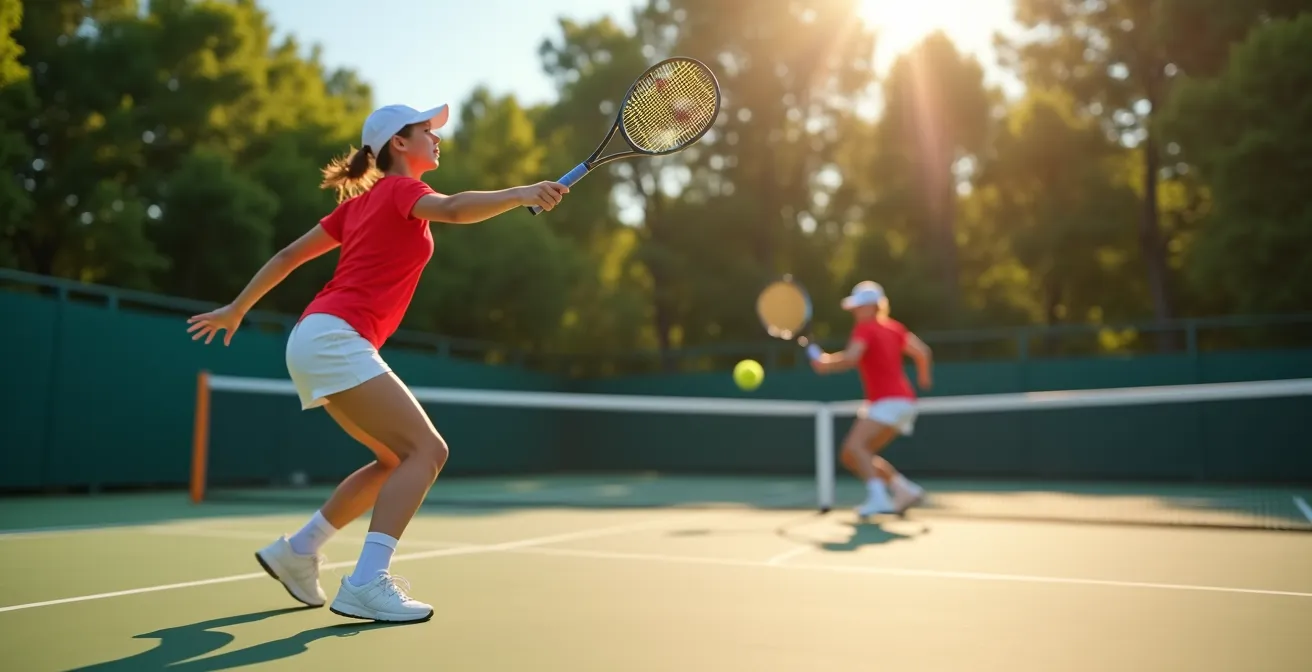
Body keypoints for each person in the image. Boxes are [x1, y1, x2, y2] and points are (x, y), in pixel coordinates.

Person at [185, 102, 569, 623]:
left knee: (394, 459)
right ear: (398, 145)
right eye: (425, 131)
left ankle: (300, 550)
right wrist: (522, 192)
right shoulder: (400, 190)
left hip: (313, 335)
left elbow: (285, 258)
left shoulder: (363, 202)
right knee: (428, 451)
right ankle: (367, 581)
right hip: (336, 336)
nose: (437, 138)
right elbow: (455, 209)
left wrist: (237, 308)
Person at [810, 281, 933, 517]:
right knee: (854, 454)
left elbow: (852, 357)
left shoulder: (865, 329)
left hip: (887, 401)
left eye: (859, 306)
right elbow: (923, 353)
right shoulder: (895, 329)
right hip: (905, 402)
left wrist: (825, 363)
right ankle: (903, 489)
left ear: (873, 307)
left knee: (855, 447)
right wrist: (924, 379)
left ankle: (879, 499)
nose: (855, 311)